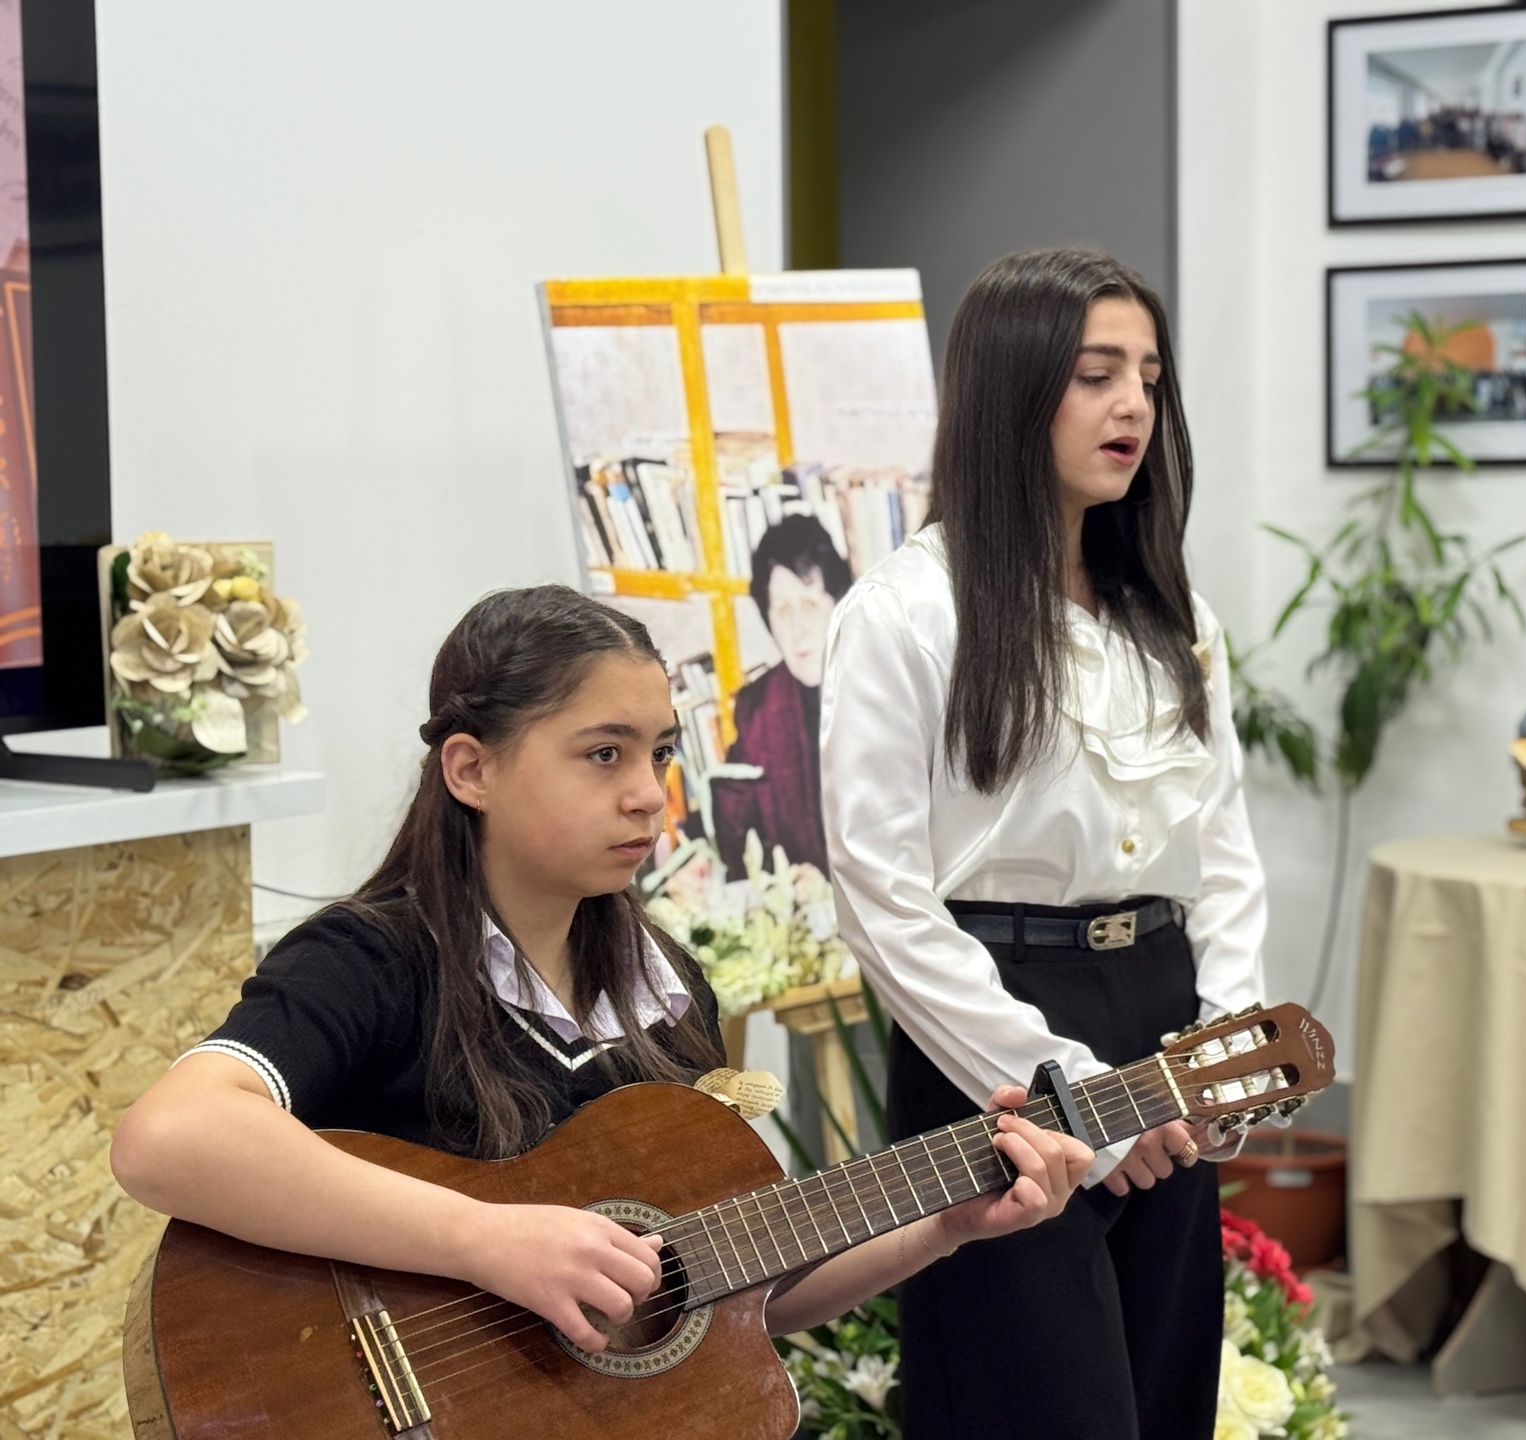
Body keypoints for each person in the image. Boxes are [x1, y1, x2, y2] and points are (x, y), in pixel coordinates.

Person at [110, 585, 1091, 1376]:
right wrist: (484, 1240)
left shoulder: (667, 988)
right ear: (470, 770)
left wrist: (943, 1225)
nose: (648, 795)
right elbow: (169, 1138)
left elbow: (734, 1291)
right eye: (603, 754)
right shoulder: (370, 960)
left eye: (659, 754)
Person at [820, 248, 1267, 1440]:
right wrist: (1073, 1091)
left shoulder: (1174, 615)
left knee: (1164, 1397)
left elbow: (1223, 850)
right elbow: (879, 894)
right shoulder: (907, 613)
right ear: (1014, 389)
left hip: (1165, 1014)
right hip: (997, 1039)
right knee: (1032, 1405)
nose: (1134, 407)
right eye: (1096, 375)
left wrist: (1223, 1046)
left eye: (1150, 379)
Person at [710, 513, 852, 877]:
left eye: (809, 605)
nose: (797, 629)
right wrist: (703, 862)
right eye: (782, 610)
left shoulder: (885, 686)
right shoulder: (759, 706)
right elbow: (731, 823)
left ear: (839, 604)